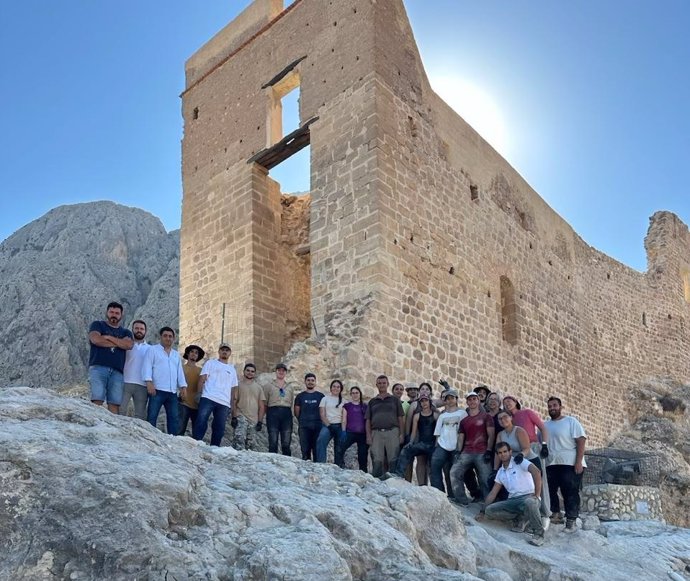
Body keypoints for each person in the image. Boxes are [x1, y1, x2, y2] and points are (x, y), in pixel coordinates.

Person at [476, 442, 546, 547]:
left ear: (510, 452)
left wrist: (537, 495)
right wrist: (482, 511)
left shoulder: (520, 462)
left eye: (505, 451)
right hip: (513, 501)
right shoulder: (501, 472)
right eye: (500, 453)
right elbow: (493, 493)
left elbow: (536, 472)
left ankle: (539, 534)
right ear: (498, 455)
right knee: (490, 510)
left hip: (529, 496)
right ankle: (520, 518)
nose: (503, 454)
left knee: (530, 502)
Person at [545, 397, 587, 532]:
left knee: (569, 491)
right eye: (550, 406)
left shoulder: (571, 421)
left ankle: (571, 520)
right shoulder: (545, 425)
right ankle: (555, 513)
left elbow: (581, 440)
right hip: (551, 462)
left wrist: (579, 462)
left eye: (555, 405)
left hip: (570, 461)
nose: (552, 408)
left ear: (561, 407)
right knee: (549, 489)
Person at [87, 301, 134, 413]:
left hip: (117, 372)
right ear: (107, 313)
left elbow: (129, 345)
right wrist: (119, 343)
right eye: (111, 312)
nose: (114, 315)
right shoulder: (97, 325)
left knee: (115, 402)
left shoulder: (126, 331)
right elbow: (95, 340)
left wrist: (108, 337)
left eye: (117, 313)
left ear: (121, 315)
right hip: (98, 368)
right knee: (97, 398)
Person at [450, 391, 495, 504]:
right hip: (467, 452)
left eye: (474, 399)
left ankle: (488, 504)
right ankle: (462, 501)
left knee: (485, 479)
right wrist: (457, 451)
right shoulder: (464, 421)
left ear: (478, 401)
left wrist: (489, 450)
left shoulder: (486, 416)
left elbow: (491, 435)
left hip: (482, 451)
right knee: (454, 472)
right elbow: (461, 437)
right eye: (470, 399)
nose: (472, 401)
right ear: (467, 402)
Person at [192, 343, 239, 446]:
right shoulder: (210, 363)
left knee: (220, 427)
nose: (225, 352)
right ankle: (196, 444)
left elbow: (233, 390)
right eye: (223, 349)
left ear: (230, 353)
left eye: (227, 350)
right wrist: (199, 393)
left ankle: (215, 448)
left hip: (224, 403)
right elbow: (202, 379)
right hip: (208, 397)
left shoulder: (232, 370)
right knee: (201, 421)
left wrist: (232, 407)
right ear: (219, 351)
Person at [143, 327, 187, 434]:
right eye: (165, 336)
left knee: (174, 419)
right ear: (161, 337)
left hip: (172, 392)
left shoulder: (176, 354)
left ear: (174, 338)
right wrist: (149, 383)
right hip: (156, 390)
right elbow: (147, 366)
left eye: (170, 336)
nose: (168, 338)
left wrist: (183, 387)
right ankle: (150, 437)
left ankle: (173, 441)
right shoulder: (152, 350)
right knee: (152, 417)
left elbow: (179, 372)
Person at [390, 395, 438, 481]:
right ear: (420, 403)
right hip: (421, 444)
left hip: (432, 445)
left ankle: (437, 487)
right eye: (422, 401)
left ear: (429, 402)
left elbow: (438, 432)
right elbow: (414, 432)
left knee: (433, 467)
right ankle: (398, 474)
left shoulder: (435, 415)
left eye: (426, 401)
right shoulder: (417, 416)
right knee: (405, 451)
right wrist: (410, 442)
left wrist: (436, 445)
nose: (424, 403)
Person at [365, 375, 405, 477]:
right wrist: (368, 436)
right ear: (376, 385)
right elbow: (368, 420)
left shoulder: (395, 400)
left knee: (393, 458)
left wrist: (401, 434)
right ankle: (376, 481)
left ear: (387, 384)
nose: (382, 385)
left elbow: (400, 417)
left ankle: (394, 481)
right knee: (377, 459)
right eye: (380, 383)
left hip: (392, 432)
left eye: (384, 383)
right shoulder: (372, 402)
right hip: (376, 433)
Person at [430, 389, 467, 495]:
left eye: (452, 398)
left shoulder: (462, 413)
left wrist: (461, 447)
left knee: (453, 472)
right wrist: (437, 446)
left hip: (456, 446)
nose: (450, 400)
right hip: (442, 445)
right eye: (448, 399)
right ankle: (438, 493)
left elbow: (464, 431)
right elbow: (438, 432)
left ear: (456, 399)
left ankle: (455, 495)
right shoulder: (442, 415)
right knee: (435, 466)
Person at [232, 362, 266, 450]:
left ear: (255, 373)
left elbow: (262, 406)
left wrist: (260, 422)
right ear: (244, 371)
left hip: (253, 421)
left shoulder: (259, 388)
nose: (250, 373)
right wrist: (234, 417)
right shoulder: (238, 385)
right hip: (241, 417)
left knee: (251, 446)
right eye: (248, 370)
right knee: (239, 441)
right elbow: (234, 401)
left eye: (252, 371)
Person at [120, 319, 149, 420]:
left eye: (141, 329)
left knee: (140, 415)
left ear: (145, 331)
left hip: (142, 385)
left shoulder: (150, 349)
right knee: (121, 410)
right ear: (132, 329)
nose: (139, 330)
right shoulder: (126, 345)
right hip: (125, 382)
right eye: (136, 328)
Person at [264, 363, 296, 455]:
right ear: (276, 371)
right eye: (279, 370)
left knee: (286, 442)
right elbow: (265, 402)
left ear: (286, 372)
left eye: (283, 370)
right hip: (273, 412)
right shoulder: (268, 385)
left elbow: (292, 402)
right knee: (273, 441)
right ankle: (272, 464)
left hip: (286, 413)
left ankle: (287, 464)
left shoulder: (290, 387)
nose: (281, 372)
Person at [336, 386, 368, 471]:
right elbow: (344, 419)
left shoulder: (365, 406)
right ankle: (339, 467)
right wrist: (343, 431)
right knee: (340, 449)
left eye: (356, 393)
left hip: (362, 434)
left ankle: (364, 472)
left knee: (363, 455)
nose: (355, 395)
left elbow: (367, 421)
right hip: (350, 432)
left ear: (360, 394)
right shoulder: (347, 406)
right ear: (350, 394)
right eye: (353, 393)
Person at [293, 373, 324, 460]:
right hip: (304, 427)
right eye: (308, 380)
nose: (310, 382)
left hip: (317, 427)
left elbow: (323, 411)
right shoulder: (300, 396)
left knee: (316, 451)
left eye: (312, 380)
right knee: (305, 451)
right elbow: (296, 411)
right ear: (305, 382)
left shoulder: (321, 396)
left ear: (315, 382)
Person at [178, 344, 205, 436]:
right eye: (192, 352)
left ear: (198, 356)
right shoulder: (181, 368)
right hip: (183, 403)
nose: (194, 354)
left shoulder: (201, 371)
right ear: (188, 354)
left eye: (196, 353)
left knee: (197, 433)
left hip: (197, 404)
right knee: (180, 430)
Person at [315, 380, 344, 463]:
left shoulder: (344, 401)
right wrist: (329, 426)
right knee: (321, 441)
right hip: (327, 425)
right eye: (334, 386)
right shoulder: (325, 399)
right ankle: (321, 463)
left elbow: (344, 416)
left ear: (341, 389)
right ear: (331, 388)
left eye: (338, 387)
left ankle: (339, 465)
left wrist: (343, 428)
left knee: (339, 447)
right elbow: (322, 414)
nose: (336, 388)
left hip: (339, 426)